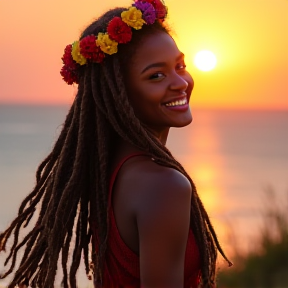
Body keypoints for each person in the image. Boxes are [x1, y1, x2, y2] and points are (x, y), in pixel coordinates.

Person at [0, 0, 232, 287]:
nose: (181, 82)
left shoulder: (114, 169)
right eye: (156, 75)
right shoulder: (163, 185)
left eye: (180, 65)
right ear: (119, 93)